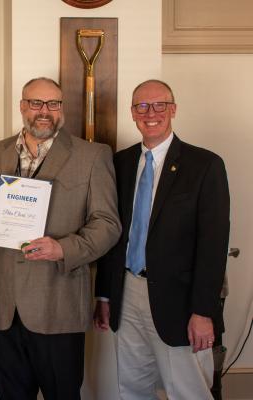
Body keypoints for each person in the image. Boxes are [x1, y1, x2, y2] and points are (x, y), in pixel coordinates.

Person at [0, 77, 121, 399]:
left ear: (62, 108)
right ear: (22, 106)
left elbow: (107, 224)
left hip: (58, 304)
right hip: (2, 304)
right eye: (36, 103)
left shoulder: (92, 155)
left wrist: (63, 247)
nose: (45, 111)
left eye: (53, 104)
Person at [94, 79, 230, 399]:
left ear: (173, 110)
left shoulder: (205, 165)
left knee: (189, 391)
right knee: (132, 388)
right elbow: (112, 233)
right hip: (127, 294)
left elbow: (213, 246)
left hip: (181, 303)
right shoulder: (120, 163)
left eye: (160, 105)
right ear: (132, 112)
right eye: (142, 106)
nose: (151, 113)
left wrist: (203, 311)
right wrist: (104, 295)